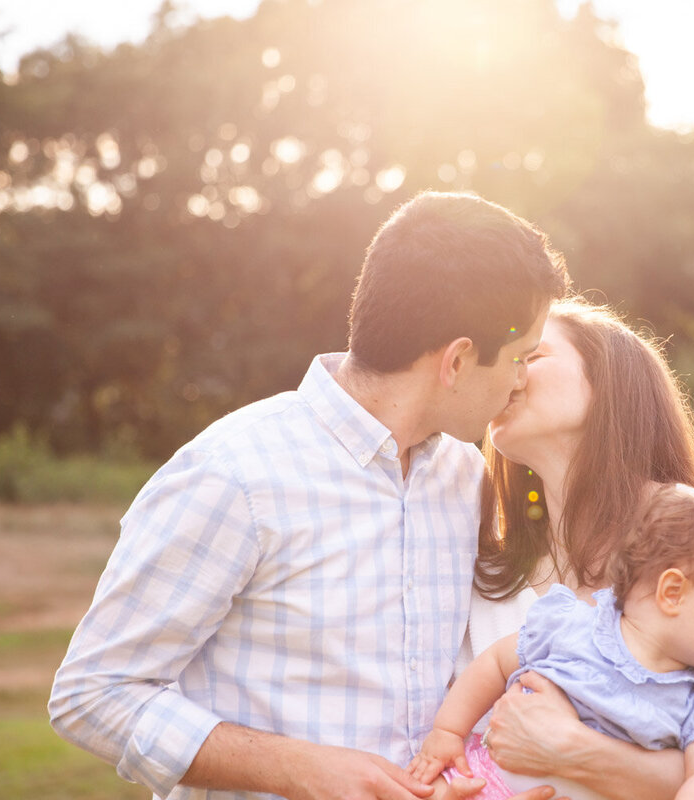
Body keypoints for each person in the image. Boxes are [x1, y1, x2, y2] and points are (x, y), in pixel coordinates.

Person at [48, 190, 570, 800]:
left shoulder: (465, 477)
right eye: (517, 359)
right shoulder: (233, 476)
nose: (520, 382)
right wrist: (294, 768)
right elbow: (94, 693)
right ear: (456, 361)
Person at [457, 297, 694, 800]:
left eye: (531, 357)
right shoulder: (485, 567)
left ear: (609, 383)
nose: (505, 375)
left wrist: (573, 750)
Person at [409, 483, 694, 800]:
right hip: (483, 783)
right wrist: (448, 731)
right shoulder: (573, 626)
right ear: (673, 592)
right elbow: (494, 662)